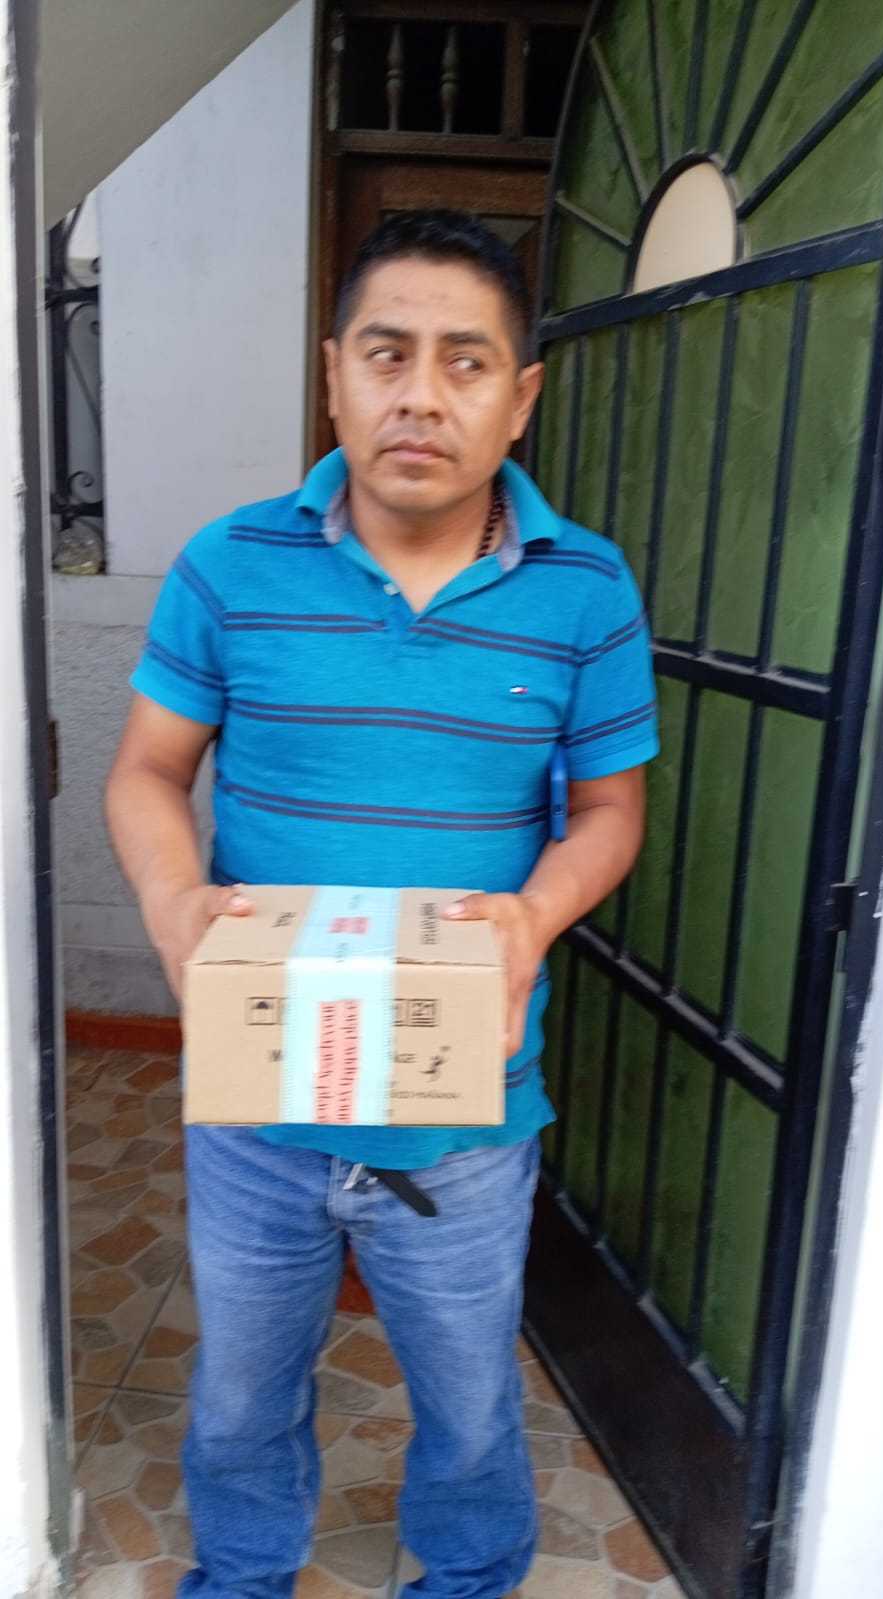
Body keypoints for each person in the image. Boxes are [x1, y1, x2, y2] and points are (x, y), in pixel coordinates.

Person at [105, 209, 658, 1599]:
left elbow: (610, 811)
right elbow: (148, 772)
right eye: (386, 353)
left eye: (467, 361)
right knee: (242, 1395)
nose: (421, 394)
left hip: (464, 1120)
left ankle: (468, 1579)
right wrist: (174, 905)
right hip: (258, 1114)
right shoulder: (229, 566)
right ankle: (240, 1578)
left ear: (521, 397)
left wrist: (532, 917)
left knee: (468, 1402)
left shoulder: (586, 589)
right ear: (333, 374)